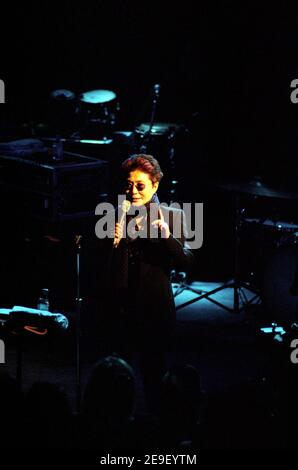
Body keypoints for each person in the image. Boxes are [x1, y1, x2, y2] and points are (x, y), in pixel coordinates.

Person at [103, 154, 194, 409]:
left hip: (155, 309)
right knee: (118, 379)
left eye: (140, 185)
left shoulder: (171, 215)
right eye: (129, 185)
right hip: (123, 309)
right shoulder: (118, 214)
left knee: (153, 376)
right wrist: (117, 244)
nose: (133, 191)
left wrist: (166, 235)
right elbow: (111, 272)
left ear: (155, 185)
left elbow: (187, 261)